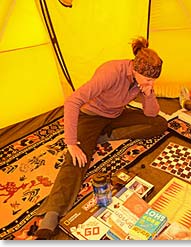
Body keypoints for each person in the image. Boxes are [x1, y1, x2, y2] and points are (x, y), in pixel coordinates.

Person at [35, 37, 167, 239]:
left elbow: (150, 114)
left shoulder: (142, 81)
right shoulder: (111, 72)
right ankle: (51, 215)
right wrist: (71, 143)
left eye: (153, 80)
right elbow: (72, 101)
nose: (151, 83)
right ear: (135, 70)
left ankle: (105, 137)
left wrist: (148, 93)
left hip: (115, 115)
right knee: (78, 158)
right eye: (148, 80)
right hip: (91, 116)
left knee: (160, 124)